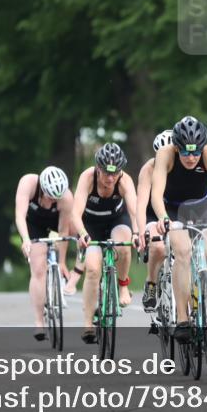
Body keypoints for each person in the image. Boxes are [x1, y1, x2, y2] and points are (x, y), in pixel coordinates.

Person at [152, 116, 207, 342]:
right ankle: (182, 319)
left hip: (203, 206)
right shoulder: (166, 155)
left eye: (195, 152)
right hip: (173, 209)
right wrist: (162, 218)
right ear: (176, 147)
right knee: (182, 253)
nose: (191, 158)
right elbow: (156, 193)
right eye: (185, 153)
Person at [72, 143, 142, 344]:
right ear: (98, 168)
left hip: (116, 220)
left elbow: (135, 211)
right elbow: (75, 213)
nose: (110, 179)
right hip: (91, 224)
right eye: (106, 174)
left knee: (123, 245)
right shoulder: (87, 178)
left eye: (115, 174)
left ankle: (122, 286)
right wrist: (83, 234)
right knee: (93, 269)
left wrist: (137, 233)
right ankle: (88, 324)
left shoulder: (124, 181)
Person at [14, 166, 77, 342]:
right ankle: (39, 321)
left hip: (55, 222)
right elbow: (19, 216)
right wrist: (26, 240)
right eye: (49, 196)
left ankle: (66, 271)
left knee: (75, 228)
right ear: (42, 188)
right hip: (32, 224)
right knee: (39, 267)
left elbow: (64, 230)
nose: (51, 201)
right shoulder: (28, 183)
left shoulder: (65, 198)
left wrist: (63, 261)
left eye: (55, 198)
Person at [135, 130, 173, 315]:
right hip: (153, 214)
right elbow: (141, 205)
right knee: (158, 248)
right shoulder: (148, 169)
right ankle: (151, 282)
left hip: (176, 212)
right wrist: (141, 231)